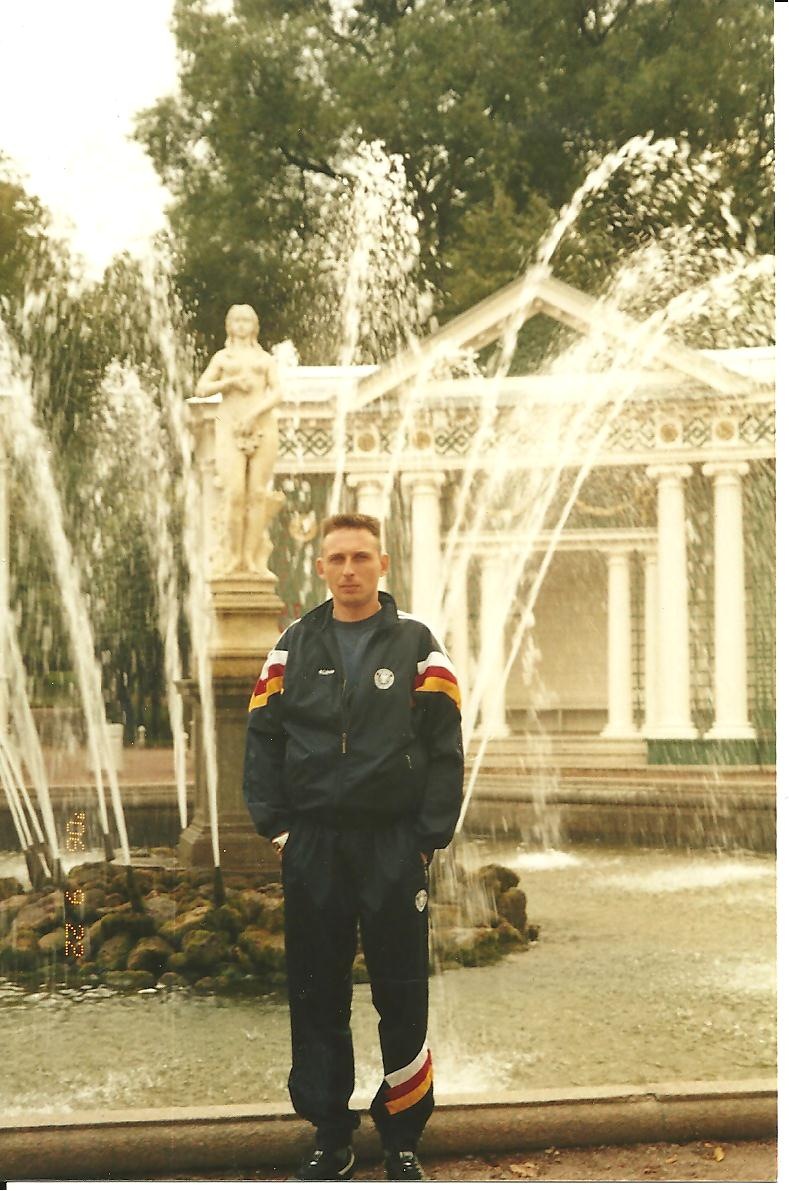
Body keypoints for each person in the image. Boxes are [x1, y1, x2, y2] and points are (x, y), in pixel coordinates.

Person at [243, 512, 464, 1181]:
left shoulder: (418, 646)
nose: (348, 570)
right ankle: (330, 1134)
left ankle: (402, 1138)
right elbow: (262, 739)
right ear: (320, 568)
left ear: (382, 564)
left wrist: (426, 838)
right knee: (316, 991)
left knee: (402, 992)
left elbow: (445, 747)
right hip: (314, 844)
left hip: (393, 844)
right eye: (336, 558)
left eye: (360, 557)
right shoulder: (291, 646)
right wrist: (278, 828)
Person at [195, 303, 282, 574]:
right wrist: (230, 383)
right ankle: (233, 558)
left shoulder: (265, 359)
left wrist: (254, 415)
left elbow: (278, 393)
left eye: (247, 320)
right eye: (237, 320)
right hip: (229, 427)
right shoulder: (223, 358)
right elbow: (201, 388)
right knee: (234, 494)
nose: (242, 325)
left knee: (257, 494)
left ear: (254, 326)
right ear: (229, 326)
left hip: (262, 426)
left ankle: (250, 558)